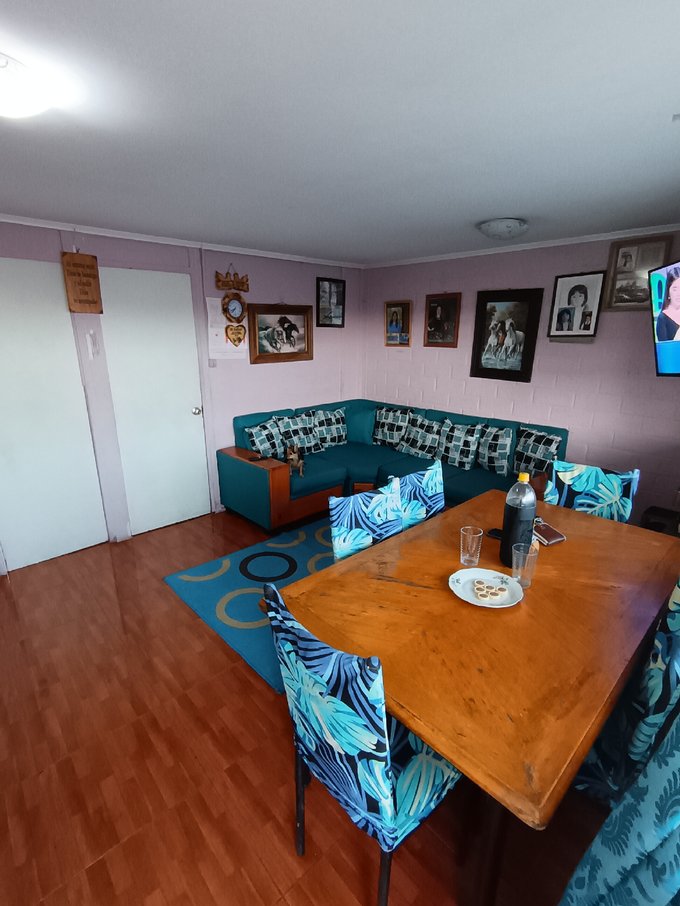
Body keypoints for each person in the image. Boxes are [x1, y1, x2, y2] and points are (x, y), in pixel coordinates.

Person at [656, 269, 680, 341]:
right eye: (675, 289)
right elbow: (664, 347)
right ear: (668, 292)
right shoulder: (662, 318)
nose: (679, 293)